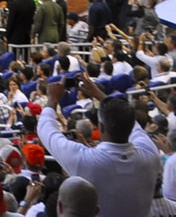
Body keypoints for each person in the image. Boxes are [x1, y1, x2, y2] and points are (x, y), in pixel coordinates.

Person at [36, 72, 158, 215]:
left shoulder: (86, 160)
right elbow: (131, 122)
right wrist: (98, 94)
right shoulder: (150, 153)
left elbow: (45, 129)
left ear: (101, 127)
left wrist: (52, 100)